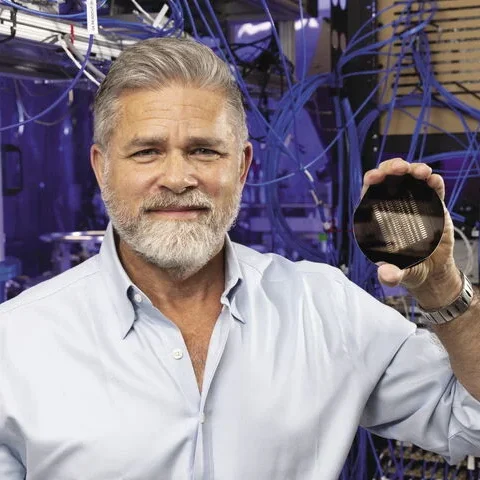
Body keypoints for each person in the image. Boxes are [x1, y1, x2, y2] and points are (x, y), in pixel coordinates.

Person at [0, 37, 479, 480]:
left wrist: (440, 284)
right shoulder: (16, 344)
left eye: (204, 150)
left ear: (243, 165)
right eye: (146, 152)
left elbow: (468, 420)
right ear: (102, 168)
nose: (177, 177)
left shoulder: (325, 309)